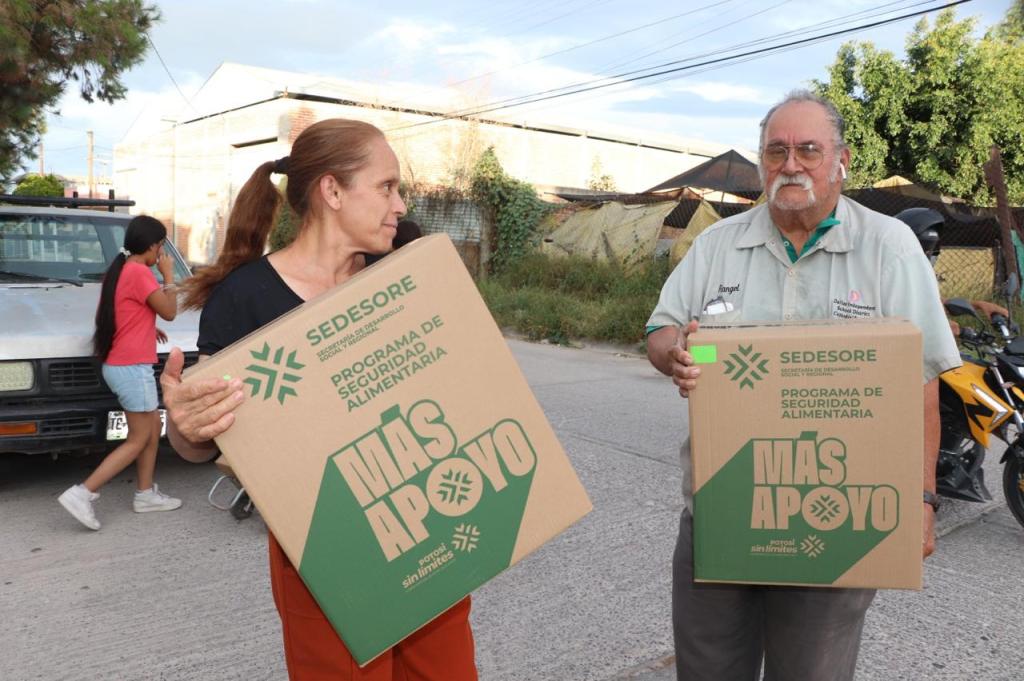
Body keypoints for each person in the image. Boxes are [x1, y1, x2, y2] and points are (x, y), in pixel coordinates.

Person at [645, 90, 962, 681]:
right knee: (708, 668)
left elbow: (920, 382)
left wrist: (921, 500)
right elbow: (660, 331)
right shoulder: (717, 245)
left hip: (835, 512)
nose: (791, 164)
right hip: (722, 508)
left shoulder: (888, 248)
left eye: (809, 150)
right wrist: (676, 353)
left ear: (840, 161)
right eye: (777, 151)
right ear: (763, 162)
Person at [158, 119, 477, 680]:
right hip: (323, 549)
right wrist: (184, 426)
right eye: (386, 187)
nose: (399, 205)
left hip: (425, 525)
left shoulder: (402, 275)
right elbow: (204, 449)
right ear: (332, 191)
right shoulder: (246, 299)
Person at [58, 215, 182, 530]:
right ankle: (82, 493)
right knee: (138, 439)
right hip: (131, 368)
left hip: (123, 363)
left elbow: (124, 311)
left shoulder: (124, 271)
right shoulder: (141, 273)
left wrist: (144, 328)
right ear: (153, 246)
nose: (162, 255)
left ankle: (145, 495)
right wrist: (169, 277)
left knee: (152, 428)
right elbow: (169, 311)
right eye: (161, 248)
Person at [894, 206, 1011, 337]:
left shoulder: (918, 275)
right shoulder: (890, 275)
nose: (929, 254)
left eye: (931, 249)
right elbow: (891, 312)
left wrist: (977, 305)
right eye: (926, 249)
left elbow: (930, 303)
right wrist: (938, 325)